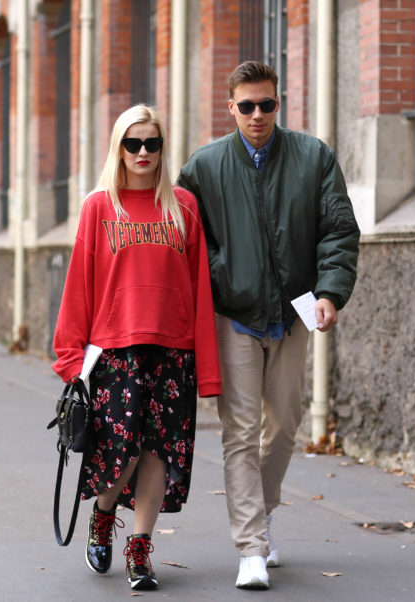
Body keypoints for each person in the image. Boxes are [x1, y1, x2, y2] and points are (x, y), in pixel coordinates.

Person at [177, 60, 360, 590]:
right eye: (247, 106)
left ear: (279, 104)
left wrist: (329, 293)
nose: (258, 115)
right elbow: (188, 239)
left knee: (282, 425)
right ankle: (252, 547)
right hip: (233, 315)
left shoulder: (313, 157)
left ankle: (264, 510)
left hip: (295, 312)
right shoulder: (204, 167)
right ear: (230, 107)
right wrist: (221, 273)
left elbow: (338, 229)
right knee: (239, 431)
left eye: (268, 104)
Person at [52, 104, 221, 591]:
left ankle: (141, 547)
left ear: (163, 149)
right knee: (119, 450)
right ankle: (104, 514)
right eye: (133, 143)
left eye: (152, 143)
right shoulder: (99, 206)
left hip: (173, 351)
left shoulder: (184, 206)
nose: (143, 152)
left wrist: (207, 370)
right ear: (119, 149)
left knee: (158, 451)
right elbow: (79, 285)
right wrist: (69, 358)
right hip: (115, 350)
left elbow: (199, 290)